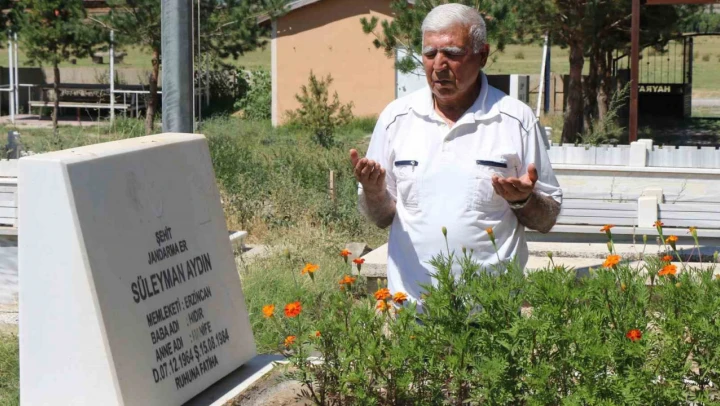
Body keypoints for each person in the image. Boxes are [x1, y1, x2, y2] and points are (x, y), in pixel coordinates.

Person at [349, 3, 562, 304]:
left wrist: (523, 200)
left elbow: (546, 219)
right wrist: (374, 192)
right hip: (413, 307)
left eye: (452, 53)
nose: (439, 65)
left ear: (482, 55)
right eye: (429, 53)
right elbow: (382, 218)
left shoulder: (515, 120)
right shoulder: (396, 119)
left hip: (492, 309)